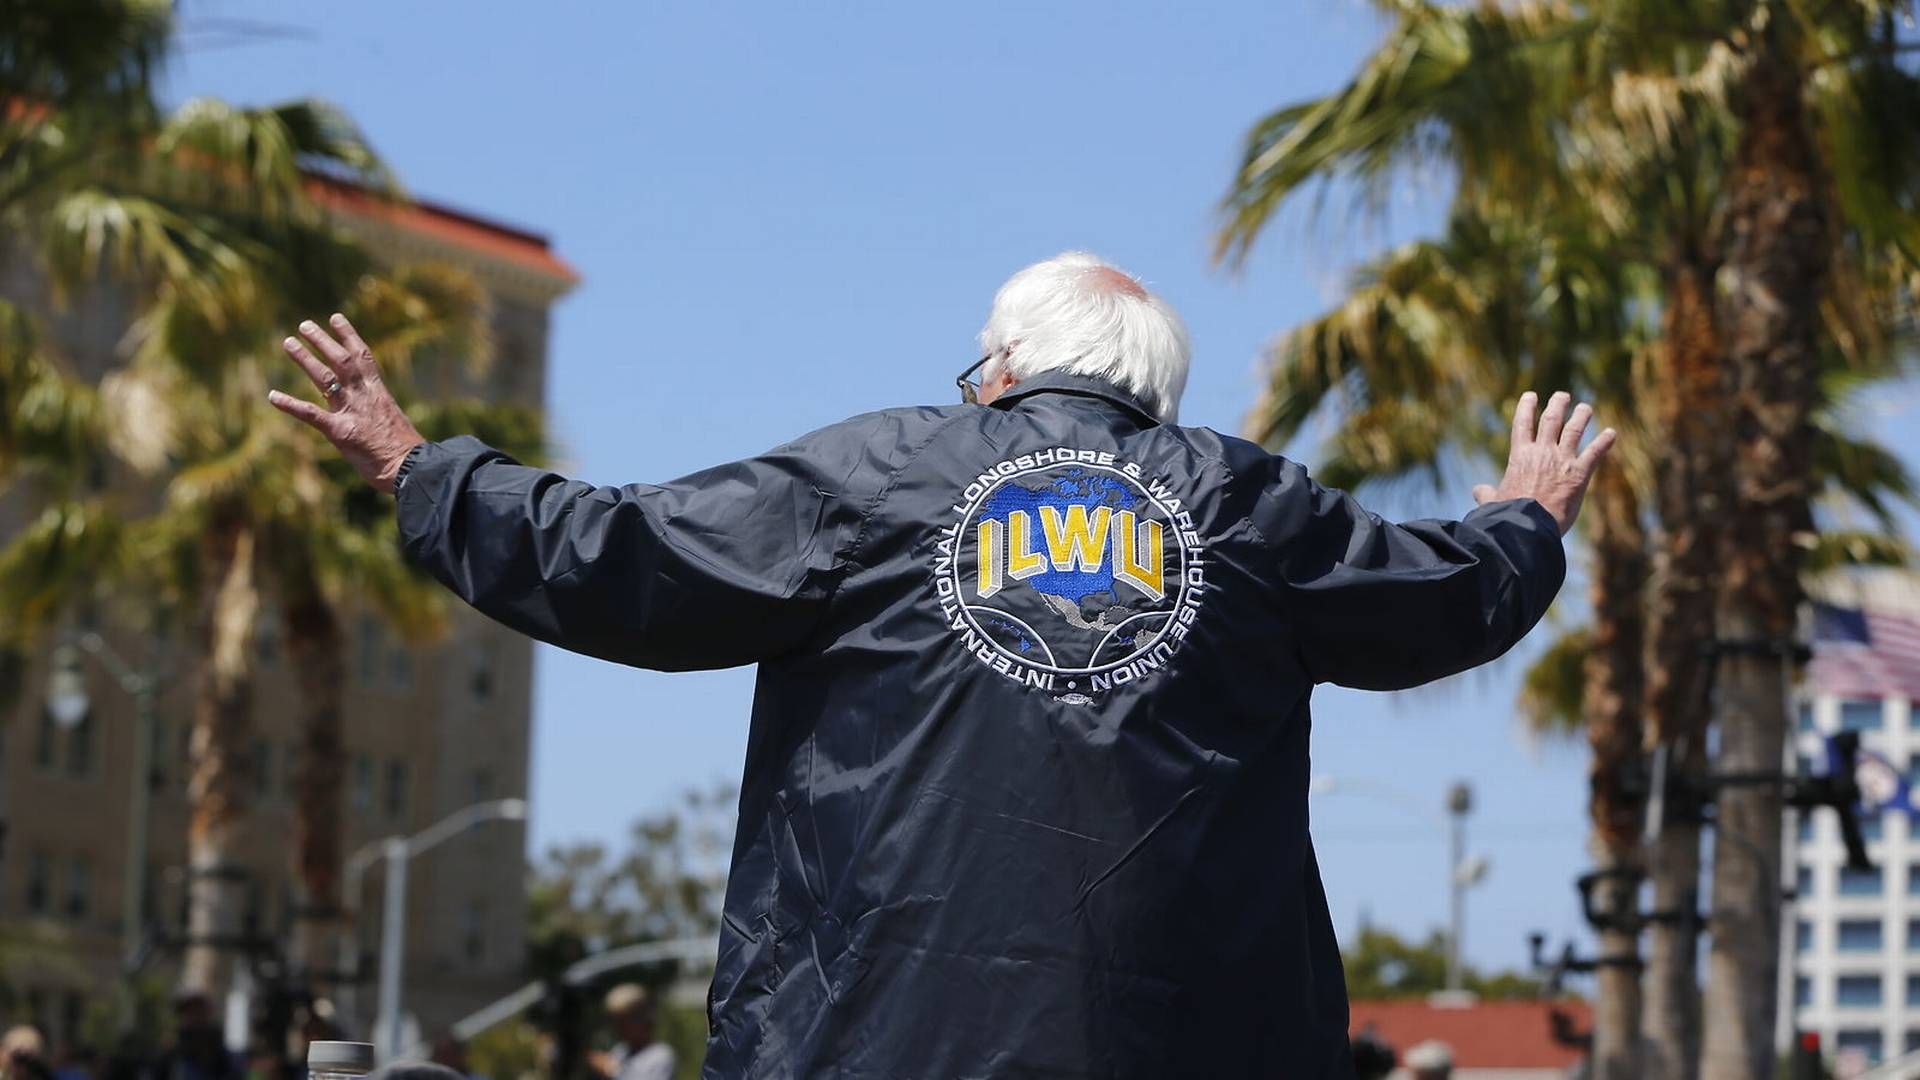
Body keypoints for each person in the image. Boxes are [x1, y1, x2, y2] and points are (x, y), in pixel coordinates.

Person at [269, 252, 1614, 1078]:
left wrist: (418, 467)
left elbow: (624, 558)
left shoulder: (887, 473)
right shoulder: (1247, 508)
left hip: (867, 1040)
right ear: (1159, 399)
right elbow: (1444, 598)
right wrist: (1525, 517)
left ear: (1004, 367)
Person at [588, 986, 673, 1080]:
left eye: (623, 1023)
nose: (618, 1029)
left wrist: (612, 1071)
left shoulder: (660, 1056)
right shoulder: (620, 1051)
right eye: (616, 1023)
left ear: (641, 1021)